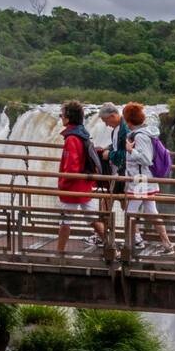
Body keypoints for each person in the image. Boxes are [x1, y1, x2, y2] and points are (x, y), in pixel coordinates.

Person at [122, 101, 173, 256]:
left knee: (129, 213)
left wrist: (131, 151)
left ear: (129, 120)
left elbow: (146, 159)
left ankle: (131, 245)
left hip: (140, 181)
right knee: (151, 211)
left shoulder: (141, 136)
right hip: (143, 180)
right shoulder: (144, 133)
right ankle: (167, 244)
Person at [56, 101, 107, 256]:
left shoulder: (72, 138)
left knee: (65, 222)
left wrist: (63, 182)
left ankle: (60, 252)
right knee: (92, 219)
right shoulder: (82, 133)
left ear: (68, 117)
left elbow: (71, 167)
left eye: (62, 114)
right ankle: (112, 246)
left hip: (72, 188)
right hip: (84, 185)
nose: (60, 117)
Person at [96, 101, 128, 211]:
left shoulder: (125, 129)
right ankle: (105, 227)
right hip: (117, 173)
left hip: (123, 174)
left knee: (126, 206)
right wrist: (108, 148)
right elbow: (117, 146)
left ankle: (103, 227)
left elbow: (126, 153)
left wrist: (109, 154)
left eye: (106, 120)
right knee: (125, 206)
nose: (106, 124)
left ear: (113, 116)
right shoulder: (117, 130)